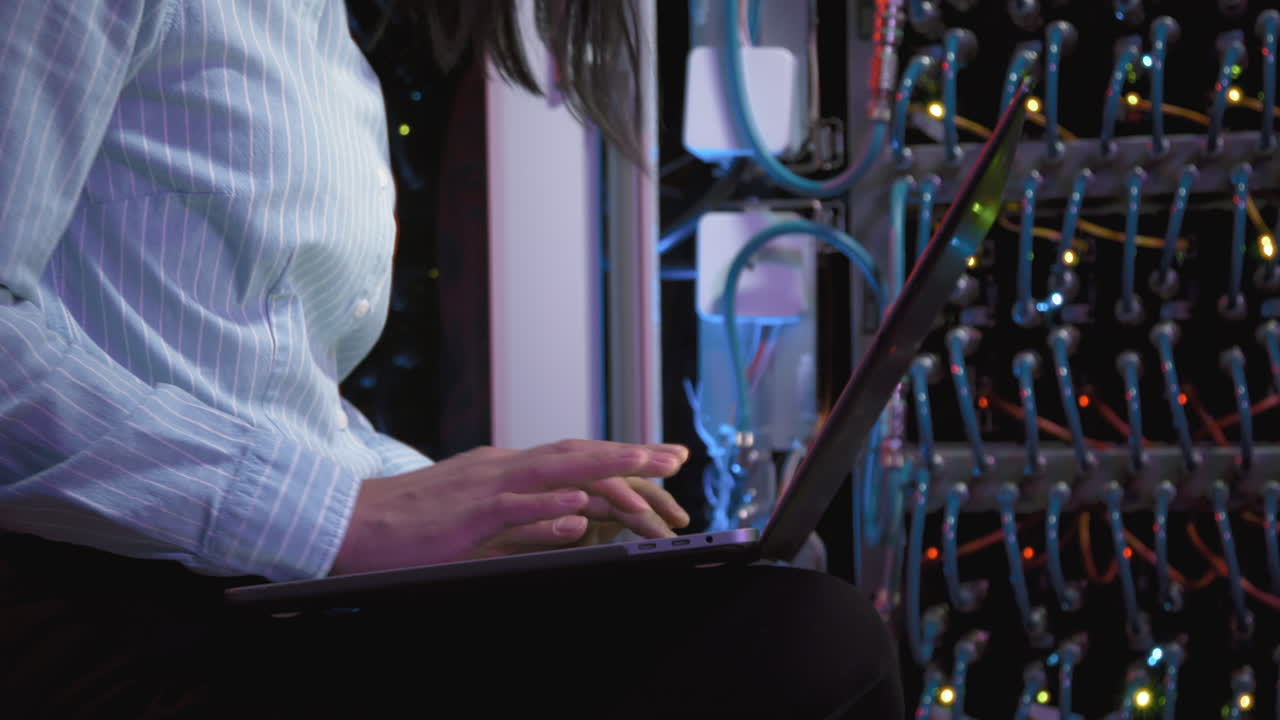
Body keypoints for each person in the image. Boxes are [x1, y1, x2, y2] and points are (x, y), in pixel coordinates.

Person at [0, 0, 903, 717]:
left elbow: (250, 391)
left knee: (789, 622)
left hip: (243, 603)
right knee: (796, 642)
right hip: (90, 617)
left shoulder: (321, 39)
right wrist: (345, 518)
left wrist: (480, 510)